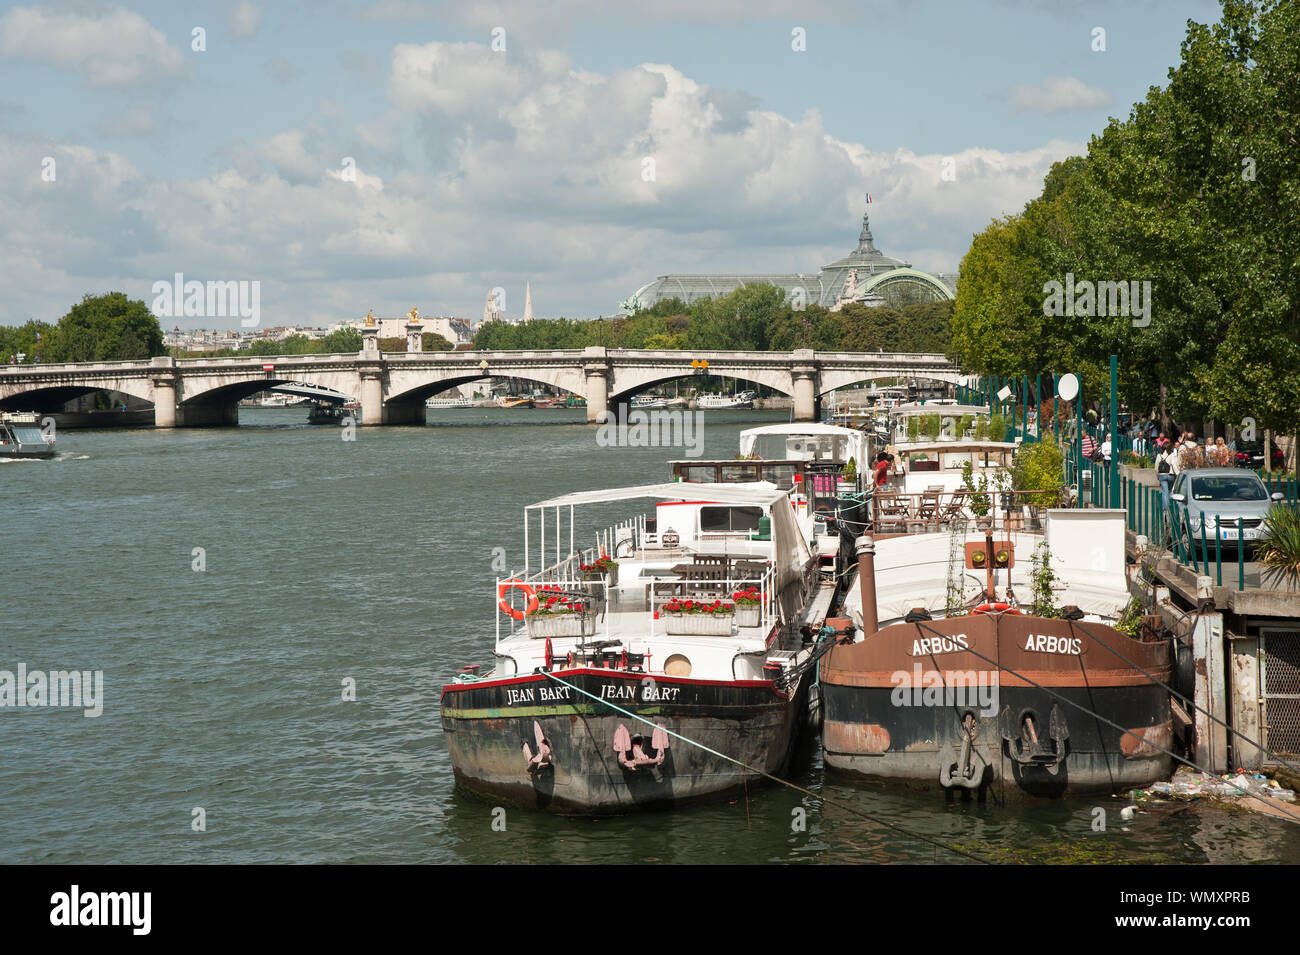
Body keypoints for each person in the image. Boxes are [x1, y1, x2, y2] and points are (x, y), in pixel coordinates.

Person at [1156, 442, 1176, 508]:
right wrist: (1177, 474)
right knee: (1170, 491)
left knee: (1164, 491)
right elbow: (1174, 465)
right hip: (1170, 475)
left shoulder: (1159, 455)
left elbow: (1156, 467)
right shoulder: (1172, 455)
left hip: (1162, 475)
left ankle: (1165, 508)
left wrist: (1157, 476)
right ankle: (1170, 507)